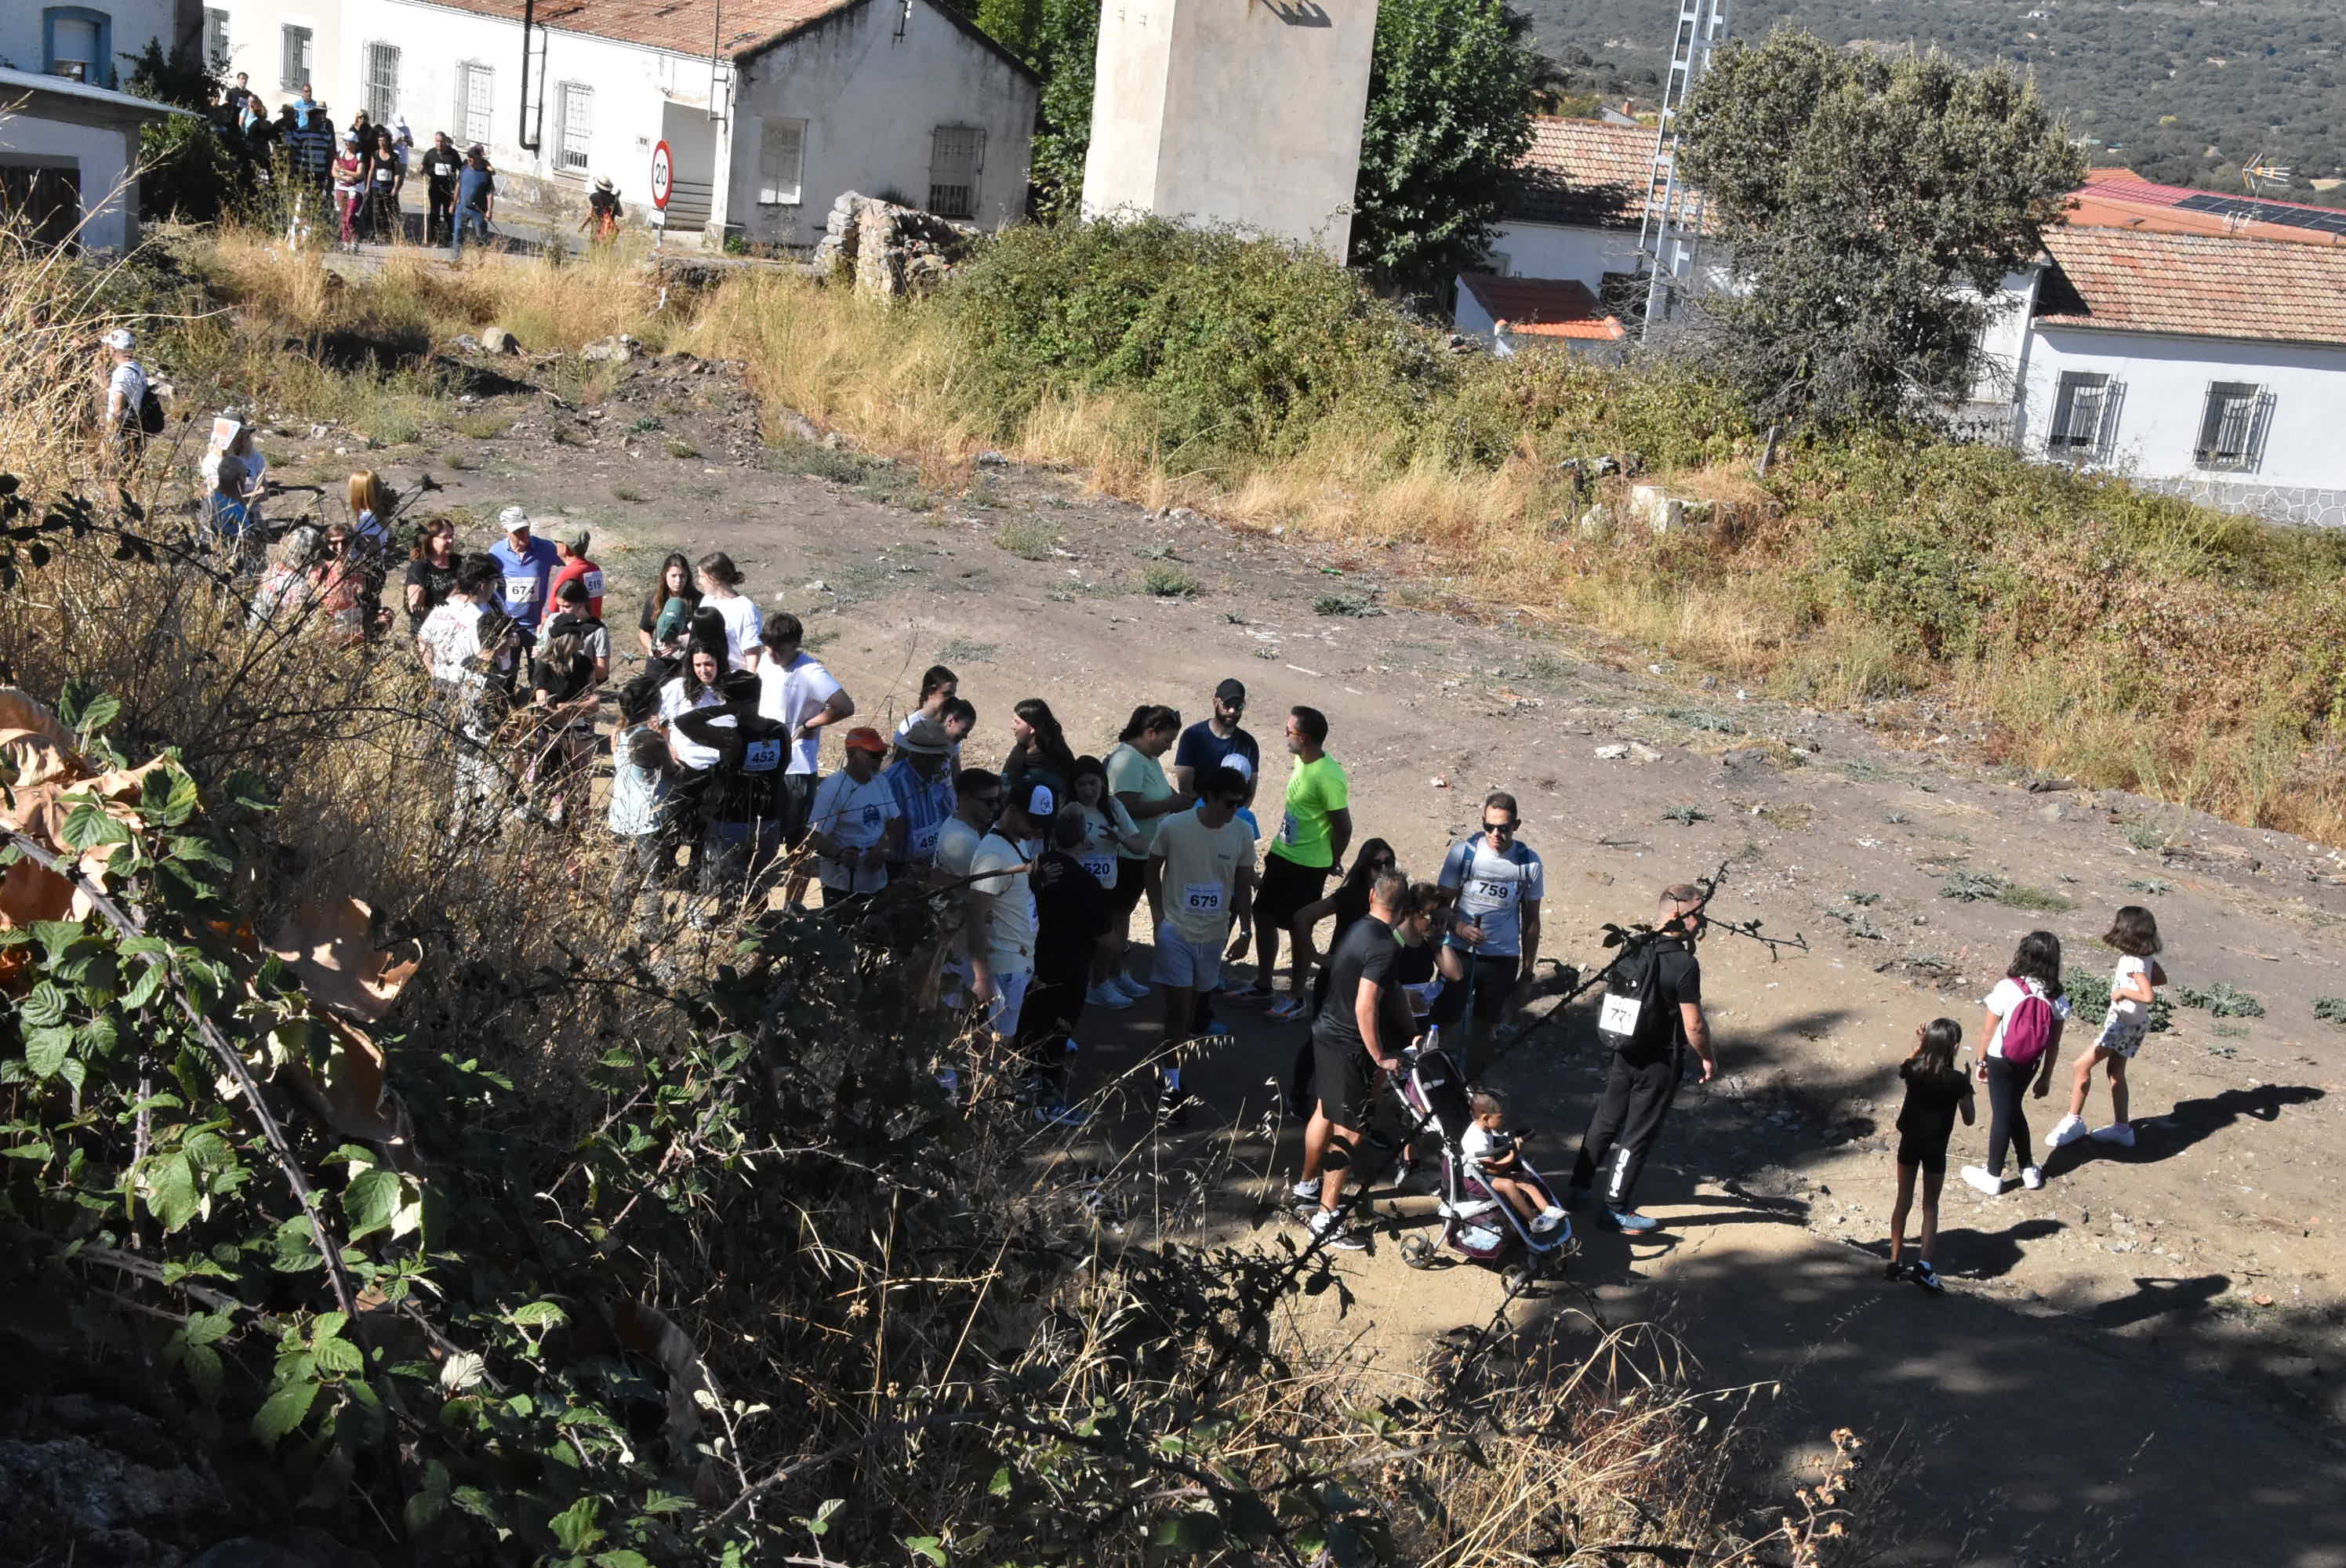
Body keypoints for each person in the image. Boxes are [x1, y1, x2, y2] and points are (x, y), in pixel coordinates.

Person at [1568, 883, 1717, 1234]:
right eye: (1699, 913)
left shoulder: (1632, 948)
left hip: (1625, 1050)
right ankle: (1615, 1209)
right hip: (1660, 1060)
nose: (1703, 921)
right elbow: (1693, 1023)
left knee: (1606, 1119)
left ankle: (1578, 1187)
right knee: (1637, 1135)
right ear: (1679, 914)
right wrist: (1707, 1058)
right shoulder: (1683, 964)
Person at [1297, 870, 1432, 1250]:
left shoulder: (1360, 928)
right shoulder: (1386, 947)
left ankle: (1306, 1185)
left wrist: (1410, 1033)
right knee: (1351, 1129)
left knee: (1325, 1111)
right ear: (1405, 907)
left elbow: (1390, 992)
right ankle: (1325, 1219)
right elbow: (1366, 1004)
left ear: (1372, 895)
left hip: (1325, 1032)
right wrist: (1379, 1056)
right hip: (1349, 1044)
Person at [1144, 765, 1258, 1124]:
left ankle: (1168, 1065)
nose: (1234, 810)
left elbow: (1242, 885)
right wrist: (1159, 917)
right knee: (1178, 1014)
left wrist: (1245, 932)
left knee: (1194, 1014)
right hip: (1176, 932)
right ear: (1208, 797)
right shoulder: (1174, 826)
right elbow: (1151, 868)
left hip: (1214, 935)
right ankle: (1170, 1090)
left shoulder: (1240, 832)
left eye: (1240, 803)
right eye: (1228, 803)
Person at [1431, 792, 1543, 1073]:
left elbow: (1531, 920)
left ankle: (1472, 1086)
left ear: (1515, 826)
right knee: (1444, 1022)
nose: (1496, 834)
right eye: (1489, 827)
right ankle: (1432, 1080)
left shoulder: (1529, 863)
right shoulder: (1463, 853)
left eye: (1503, 828)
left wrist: (1527, 973)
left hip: (1502, 959)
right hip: (1460, 953)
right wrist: (1459, 927)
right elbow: (1440, 906)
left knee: (1486, 1027)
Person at [418, 556, 525, 840]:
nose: (495, 588)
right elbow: (490, 657)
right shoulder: (482, 617)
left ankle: (448, 821)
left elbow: (422, 639)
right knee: (477, 760)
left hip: (442, 689)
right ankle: (475, 824)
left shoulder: (443, 607)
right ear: (482, 584)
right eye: (493, 583)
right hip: (474, 692)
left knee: (448, 757)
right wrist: (505, 648)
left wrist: (436, 673)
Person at [1019, 807, 1114, 1125]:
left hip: (1028, 963)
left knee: (1027, 1027)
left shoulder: (1031, 867)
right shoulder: (1086, 882)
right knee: (1056, 1036)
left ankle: (1018, 1087)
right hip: (1069, 969)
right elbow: (1106, 936)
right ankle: (1048, 1102)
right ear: (1084, 838)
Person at [1257, 706, 1351, 1022]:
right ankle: (1262, 984)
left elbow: (1343, 826)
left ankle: (1297, 996)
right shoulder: (1302, 760)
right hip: (1283, 853)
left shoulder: (1329, 777)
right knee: (1263, 914)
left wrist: (1334, 859)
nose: (1285, 736)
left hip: (1308, 865)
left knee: (1299, 926)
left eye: (1290, 732)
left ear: (1305, 738)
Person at [1959, 931, 2070, 1196]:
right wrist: (2046, 1076)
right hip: (2030, 1062)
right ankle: (2028, 1169)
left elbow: (1988, 1030)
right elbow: (2053, 1044)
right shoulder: (2056, 998)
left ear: (2024, 954)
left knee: (2002, 1113)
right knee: (2013, 1109)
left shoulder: (2008, 988)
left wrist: (1980, 1060)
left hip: (2001, 1058)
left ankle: (1993, 1175)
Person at [2049, 906, 2166, 1152]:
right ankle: (2122, 1129)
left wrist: (2124, 991)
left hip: (2122, 1025)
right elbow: (2160, 978)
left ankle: (2073, 1122)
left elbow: (2148, 995)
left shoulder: (2133, 962)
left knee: (2081, 1065)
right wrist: (2139, 981)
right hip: (2136, 1024)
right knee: (2116, 1072)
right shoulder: (2145, 958)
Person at [672, 671, 793, 907]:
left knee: (730, 888)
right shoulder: (779, 732)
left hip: (731, 821)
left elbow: (684, 722)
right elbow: (783, 770)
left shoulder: (731, 737)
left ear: (729, 700)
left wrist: (727, 709)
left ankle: (732, 935)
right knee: (757, 887)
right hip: (767, 819)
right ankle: (755, 936)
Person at [755, 613, 853, 900]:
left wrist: (810, 724)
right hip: (765, 764)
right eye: (768, 647)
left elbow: (844, 705)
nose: (772, 654)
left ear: (795, 644)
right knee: (761, 839)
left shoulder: (811, 671)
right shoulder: (765, 661)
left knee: (798, 841)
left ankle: (792, 907)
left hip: (796, 768)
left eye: (780, 649)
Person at [1104, 706, 1193, 993]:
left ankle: (1117, 974)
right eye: (1166, 740)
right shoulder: (1127, 760)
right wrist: (1171, 804)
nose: (1169, 747)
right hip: (1126, 854)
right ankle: (1104, 978)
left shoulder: (1146, 758)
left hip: (1141, 853)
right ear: (1150, 732)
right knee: (1116, 916)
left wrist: (1175, 801)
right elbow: (1126, 807)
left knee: (1123, 914)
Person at [1887, 1018, 1975, 1294]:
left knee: (1903, 1200)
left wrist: (1921, 1045)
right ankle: (1924, 1266)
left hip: (1909, 1143)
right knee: (1930, 1206)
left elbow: (1907, 1063)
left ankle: (1895, 1260)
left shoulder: (1913, 1070)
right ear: (1956, 1046)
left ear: (1928, 1042)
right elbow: (1970, 1119)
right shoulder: (1958, 1081)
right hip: (1936, 1147)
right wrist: (1967, 1088)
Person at [967, 779, 1050, 1045]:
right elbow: (976, 916)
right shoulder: (993, 855)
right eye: (1033, 823)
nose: (1038, 830)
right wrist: (981, 977)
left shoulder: (1016, 840)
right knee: (994, 1046)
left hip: (1019, 959)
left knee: (1003, 1041)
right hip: (1002, 966)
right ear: (1012, 810)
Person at [522, 581, 606, 826]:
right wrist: (575, 708)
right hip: (550, 735)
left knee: (580, 784)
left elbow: (595, 703)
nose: (582, 639)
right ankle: (537, 822)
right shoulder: (544, 665)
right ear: (566, 639)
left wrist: (566, 709)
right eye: (577, 635)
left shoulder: (583, 664)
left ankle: (578, 823)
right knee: (544, 784)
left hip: (576, 733)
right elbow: (544, 707)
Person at [1066, 756, 1146, 1010]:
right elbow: (1052, 846)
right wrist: (1075, 846)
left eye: (1093, 783)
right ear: (1074, 787)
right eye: (1082, 785)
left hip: (1107, 885)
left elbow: (1141, 844)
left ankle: (1104, 982)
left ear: (1103, 782)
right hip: (1076, 889)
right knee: (1081, 943)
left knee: (1109, 938)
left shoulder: (1112, 806)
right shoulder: (1069, 809)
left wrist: (1119, 836)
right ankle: (1085, 989)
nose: (1089, 791)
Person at [606, 676, 674, 945]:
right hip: (647, 817)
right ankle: (650, 936)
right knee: (651, 880)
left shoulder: (619, 731)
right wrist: (665, 737)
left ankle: (614, 926)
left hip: (621, 813)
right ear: (653, 703)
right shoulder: (649, 739)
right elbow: (672, 771)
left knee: (623, 874)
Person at [806, 727, 902, 917]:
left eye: (882, 754)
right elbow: (813, 836)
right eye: (873, 754)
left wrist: (883, 847)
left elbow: (896, 821)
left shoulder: (879, 781)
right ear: (854, 754)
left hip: (877, 882)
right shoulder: (833, 788)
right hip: (842, 886)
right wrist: (840, 854)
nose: (879, 760)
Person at [1462, 1088, 1567, 1234]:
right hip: (1477, 1179)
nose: (1503, 1120)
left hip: (1488, 1172)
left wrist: (1511, 1141)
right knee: (1509, 1184)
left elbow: (1496, 1145)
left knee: (1523, 1180)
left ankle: (1547, 1210)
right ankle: (1534, 1222)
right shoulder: (1476, 1139)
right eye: (1500, 1117)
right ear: (1485, 1118)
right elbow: (1493, 1169)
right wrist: (1513, 1153)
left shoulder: (1486, 1129)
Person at [882, 717, 957, 880]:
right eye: (940, 757)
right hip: (898, 870)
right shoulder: (894, 782)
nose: (944, 761)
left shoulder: (934, 778)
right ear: (924, 757)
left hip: (927, 866)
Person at [1172, 679, 1258, 800]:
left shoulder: (1249, 745)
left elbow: (1249, 793)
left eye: (1238, 706)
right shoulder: (1192, 736)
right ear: (1215, 702)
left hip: (1231, 814)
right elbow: (1186, 790)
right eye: (1227, 705)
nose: (1232, 711)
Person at [489, 506, 561, 640]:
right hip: (509, 627)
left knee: (540, 661)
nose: (524, 536)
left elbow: (564, 573)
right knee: (512, 662)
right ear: (506, 531)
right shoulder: (496, 552)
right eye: (518, 532)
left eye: (526, 529)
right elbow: (490, 588)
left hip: (540, 626)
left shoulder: (546, 548)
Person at [1001, 698, 1078, 802]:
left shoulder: (1059, 758)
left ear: (1032, 728)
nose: (1012, 727)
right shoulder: (1019, 752)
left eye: (1017, 723)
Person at [696, 551, 761, 671]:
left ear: (714, 578)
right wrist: (676, 640)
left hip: (733, 678)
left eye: (702, 577)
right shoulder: (707, 601)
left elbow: (752, 652)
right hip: (707, 675)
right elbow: (696, 637)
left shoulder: (744, 608)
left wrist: (750, 682)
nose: (699, 582)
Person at [637, 550, 702, 664]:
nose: (678, 581)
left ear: (688, 577)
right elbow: (644, 631)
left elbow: (704, 634)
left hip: (689, 663)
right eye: (673, 576)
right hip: (658, 663)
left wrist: (679, 643)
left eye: (682, 576)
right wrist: (650, 648)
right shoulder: (654, 601)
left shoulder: (699, 601)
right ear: (665, 575)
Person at [99, 328, 149, 464]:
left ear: (114, 349)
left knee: (113, 479)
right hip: (136, 432)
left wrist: (107, 438)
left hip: (121, 436)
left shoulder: (121, 374)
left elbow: (118, 409)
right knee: (131, 477)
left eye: (108, 346)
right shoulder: (137, 369)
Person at [404, 517, 459, 638]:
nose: (450, 540)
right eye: (445, 537)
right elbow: (416, 607)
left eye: (452, 536)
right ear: (430, 540)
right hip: (429, 634)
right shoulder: (420, 567)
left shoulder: (459, 562)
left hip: (458, 632)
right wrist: (443, 622)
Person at [549, 528, 604, 619]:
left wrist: (545, 622)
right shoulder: (595, 568)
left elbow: (554, 605)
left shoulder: (569, 572)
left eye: (557, 542)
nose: (556, 545)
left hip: (573, 626)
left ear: (565, 548)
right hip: (593, 623)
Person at [418, 131, 462, 246]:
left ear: (446, 141)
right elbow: (423, 166)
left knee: (449, 214)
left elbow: (461, 168)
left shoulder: (453, 154)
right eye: (437, 141)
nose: (440, 143)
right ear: (435, 141)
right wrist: (421, 169)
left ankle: (452, 238)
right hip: (435, 189)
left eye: (442, 141)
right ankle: (434, 239)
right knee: (434, 214)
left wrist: (459, 183)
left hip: (449, 190)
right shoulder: (430, 154)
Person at [452, 144, 496, 255]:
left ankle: (481, 263)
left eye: (471, 159)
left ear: (478, 158)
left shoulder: (486, 174)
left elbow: (490, 193)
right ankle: (456, 259)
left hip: (479, 211)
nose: (469, 161)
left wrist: (489, 211)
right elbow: (458, 185)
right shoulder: (465, 167)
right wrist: (453, 203)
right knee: (457, 233)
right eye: (468, 158)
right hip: (462, 208)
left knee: (480, 237)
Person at [366, 127, 404, 241]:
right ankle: (377, 234)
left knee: (390, 211)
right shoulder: (375, 154)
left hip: (389, 187)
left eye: (383, 141)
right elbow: (372, 170)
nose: (381, 143)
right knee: (377, 211)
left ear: (388, 142)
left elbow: (397, 173)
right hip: (377, 186)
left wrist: (395, 188)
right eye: (379, 141)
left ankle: (389, 234)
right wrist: (368, 186)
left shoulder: (394, 156)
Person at [330, 133, 365, 248]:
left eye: (350, 141)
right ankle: (345, 241)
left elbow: (359, 174)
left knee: (351, 214)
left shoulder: (359, 156)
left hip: (355, 188)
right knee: (343, 214)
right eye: (346, 141)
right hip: (341, 187)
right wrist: (343, 176)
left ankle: (354, 239)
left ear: (355, 143)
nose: (347, 143)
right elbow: (334, 171)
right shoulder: (339, 154)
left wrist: (343, 171)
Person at [582, 176, 622, 244]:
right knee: (605, 250)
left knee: (594, 247)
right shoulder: (614, 199)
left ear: (598, 186)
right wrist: (616, 200)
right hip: (608, 229)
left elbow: (590, 215)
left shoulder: (594, 197)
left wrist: (583, 226)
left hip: (596, 227)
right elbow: (621, 214)